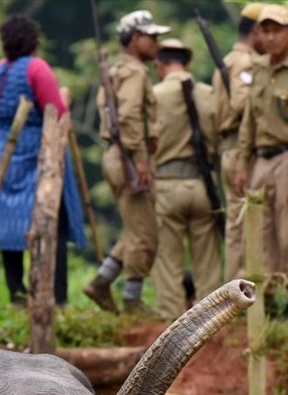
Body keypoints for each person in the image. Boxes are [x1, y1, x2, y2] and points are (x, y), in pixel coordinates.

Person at [0, 13, 86, 307]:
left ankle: (16, 294)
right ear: (34, 42)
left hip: (1, 155)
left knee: (8, 220)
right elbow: (56, 112)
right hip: (36, 152)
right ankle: (56, 298)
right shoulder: (37, 69)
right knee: (50, 222)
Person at [234, 4, 288, 325]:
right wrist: (243, 164)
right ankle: (265, 304)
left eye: (277, 31)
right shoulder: (257, 69)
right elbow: (249, 122)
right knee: (259, 233)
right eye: (265, 31)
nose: (270, 37)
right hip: (261, 159)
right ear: (258, 34)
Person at [84, 10, 169, 315]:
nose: (156, 43)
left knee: (136, 228)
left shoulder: (117, 71)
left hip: (117, 155)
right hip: (129, 157)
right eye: (151, 37)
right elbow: (130, 116)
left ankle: (102, 282)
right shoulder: (134, 73)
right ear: (135, 39)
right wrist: (140, 158)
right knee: (146, 233)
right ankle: (132, 301)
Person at [151, 38, 220, 320]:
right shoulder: (209, 94)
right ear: (187, 63)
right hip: (203, 186)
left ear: (159, 65)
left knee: (168, 261)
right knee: (208, 260)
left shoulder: (154, 95)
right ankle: (213, 321)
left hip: (166, 184)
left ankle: (170, 322)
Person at [215, 2, 266, 281]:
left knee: (237, 223)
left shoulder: (227, 61)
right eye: (266, 30)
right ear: (256, 30)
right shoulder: (247, 63)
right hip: (240, 149)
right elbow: (241, 102)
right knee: (246, 225)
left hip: (228, 148)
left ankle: (234, 290)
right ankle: (241, 293)